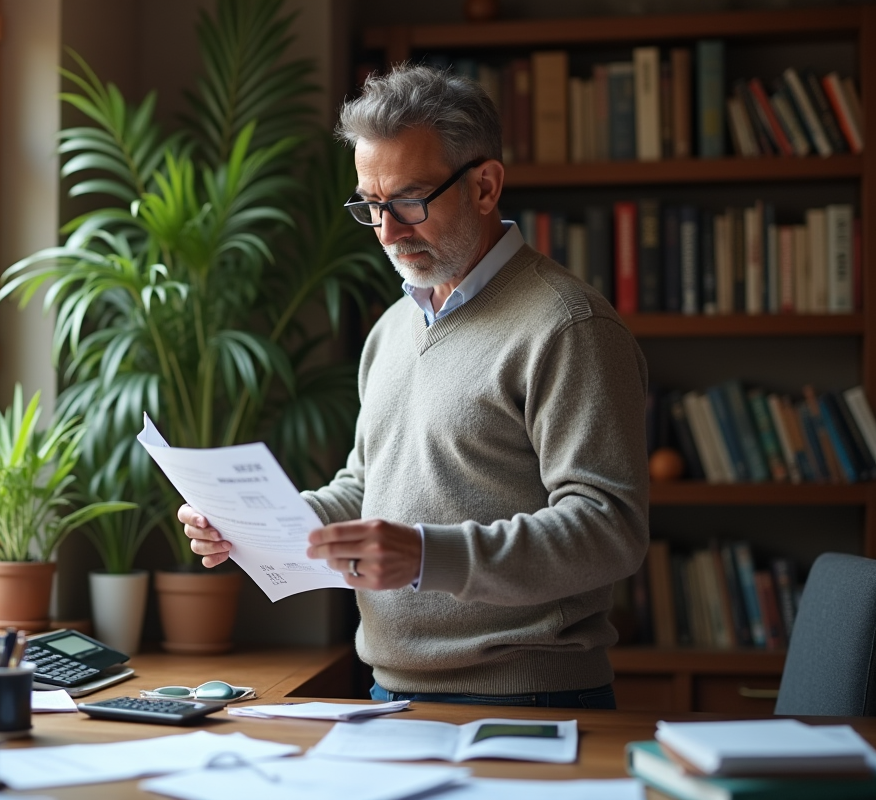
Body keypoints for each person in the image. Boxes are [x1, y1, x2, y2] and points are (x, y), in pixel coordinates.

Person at [178, 64, 649, 709]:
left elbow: (608, 528)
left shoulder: (568, 328)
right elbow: (364, 489)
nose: (386, 231)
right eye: (371, 205)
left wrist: (428, 556)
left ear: (485, 187)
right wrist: (256, 527)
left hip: (526, 700)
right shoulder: (393, 328)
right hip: (390, 694)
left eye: (408, 200)